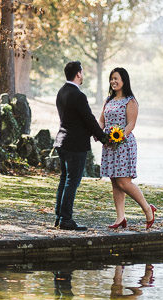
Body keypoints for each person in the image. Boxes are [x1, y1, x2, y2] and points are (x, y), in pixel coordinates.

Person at [53, 60, 108, 231]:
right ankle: (66, 219)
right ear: (78, 74)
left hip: (62, 141)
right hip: (75, 145)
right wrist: (103, 137)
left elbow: (75, 119)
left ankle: (59, 216)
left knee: (65, 180)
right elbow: (88, 118)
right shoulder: (78, 95)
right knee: (72, 181)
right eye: (82, 72)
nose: (82, 75)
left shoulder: (61, 92)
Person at [99, 67, 155, 229]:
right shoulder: (108, 100)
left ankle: (147, 209)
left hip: (123, 144)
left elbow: (131, 124)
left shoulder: (130, 101)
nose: (113, 81)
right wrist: (99, 134)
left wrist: (118, 137)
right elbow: (102, 121)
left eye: (116, 78)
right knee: (115, 182)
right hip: (109, 145)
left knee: (124, 182)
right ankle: (120, 218)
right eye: (111, 79)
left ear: (124, 81)